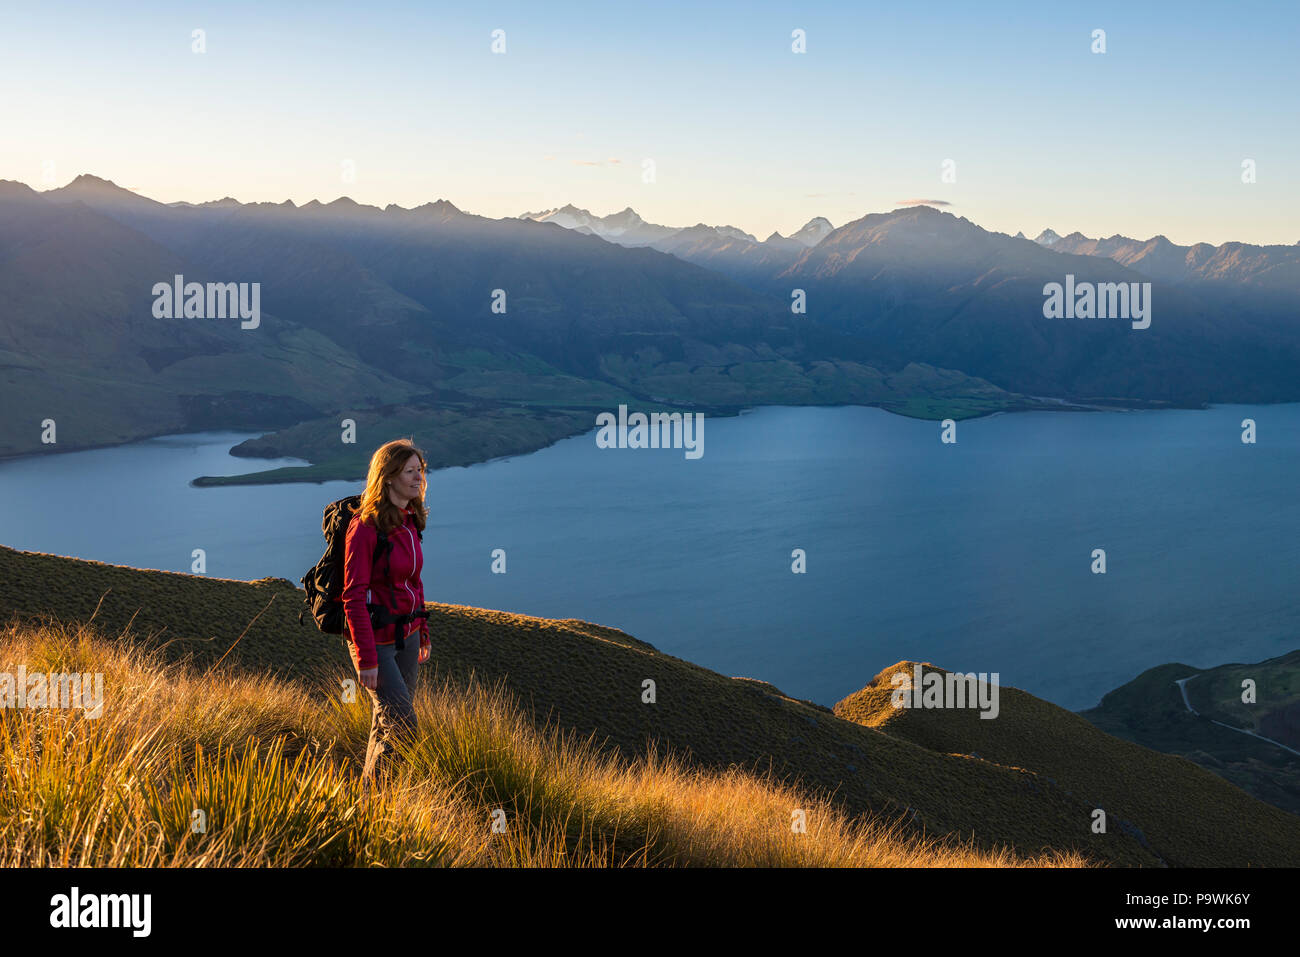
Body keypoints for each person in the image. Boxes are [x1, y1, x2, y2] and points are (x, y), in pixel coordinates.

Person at [342, 438, 431, 787]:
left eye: (420, 471)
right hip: (375, 643)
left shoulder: (411, 521)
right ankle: (375, 801)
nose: (418, 478)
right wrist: (365, 659)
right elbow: (352, 597)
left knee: (387, 723)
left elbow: (415, 582)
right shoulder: (364, 528)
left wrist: (422, 631)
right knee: (404, 726)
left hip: (407, 638)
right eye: (410, 471)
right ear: (389, 476)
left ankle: (371, 803)